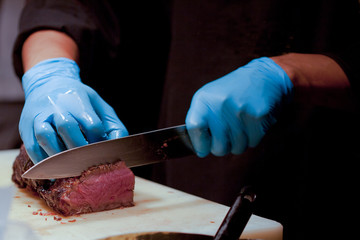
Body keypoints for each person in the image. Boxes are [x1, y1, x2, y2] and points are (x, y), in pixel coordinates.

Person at [12, 0, 360, 239]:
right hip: (185, 180)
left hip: (322, 165)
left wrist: (293, 73)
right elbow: (74, 4)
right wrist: (49, 71)